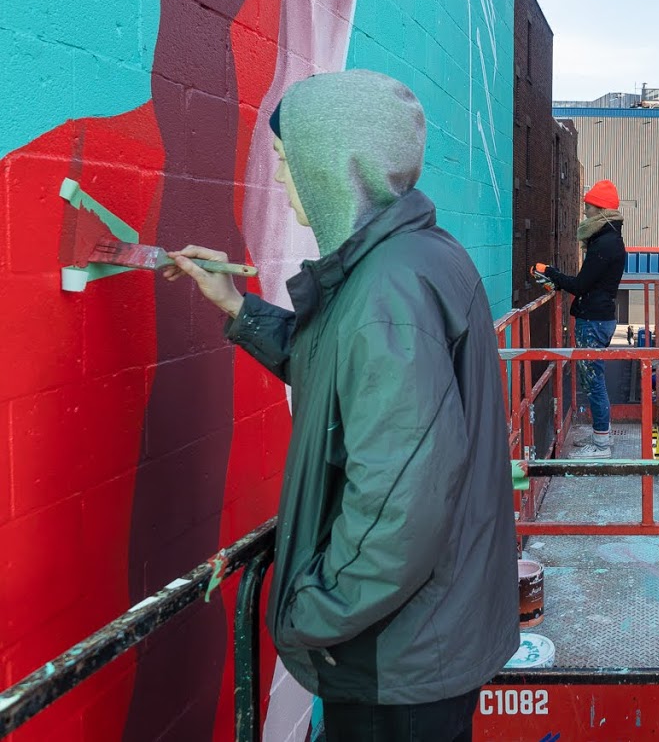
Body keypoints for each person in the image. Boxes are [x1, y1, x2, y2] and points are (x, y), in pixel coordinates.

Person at [165, 70, 518, 742]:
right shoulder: (409, 260)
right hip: (418, 639)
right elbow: (341, 372)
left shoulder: (386, 291)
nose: (280, 177)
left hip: (398, 655)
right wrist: (238, 307)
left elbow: (399, 506)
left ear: (336, 165)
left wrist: (306, 610)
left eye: (287, 159)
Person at [532, 180, 627, 458]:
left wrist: (551, 273)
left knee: (593, 380)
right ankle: (602, 436)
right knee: (593, 378)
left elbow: (581, 285)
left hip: (594, 320)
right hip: (600, 317)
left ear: (599, 210)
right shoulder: (609, 239)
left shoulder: (604, 244)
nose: (584, 213)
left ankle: (601, 446)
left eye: (587, 208)